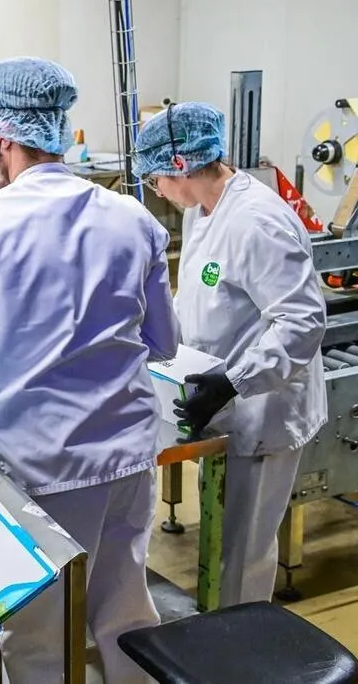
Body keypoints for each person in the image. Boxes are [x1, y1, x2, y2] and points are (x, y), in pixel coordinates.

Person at [0, 56, 179, 683]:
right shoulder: (133, 217)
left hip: (44, 465)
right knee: (125, 612)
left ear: (2, 138)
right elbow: (164, 342)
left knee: (37, 634)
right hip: (130, 452)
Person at [133, 101, 327, 607]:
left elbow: (303, 322)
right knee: (225, 538)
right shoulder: (202, 211)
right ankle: (221, 630)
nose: (158, 191)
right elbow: (204, 299)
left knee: (243, 553)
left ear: (180, 164)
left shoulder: (257, 221)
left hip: (264, 408)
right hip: (226, 401)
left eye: (156, 180)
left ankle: (240, 642)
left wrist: (233, 381)